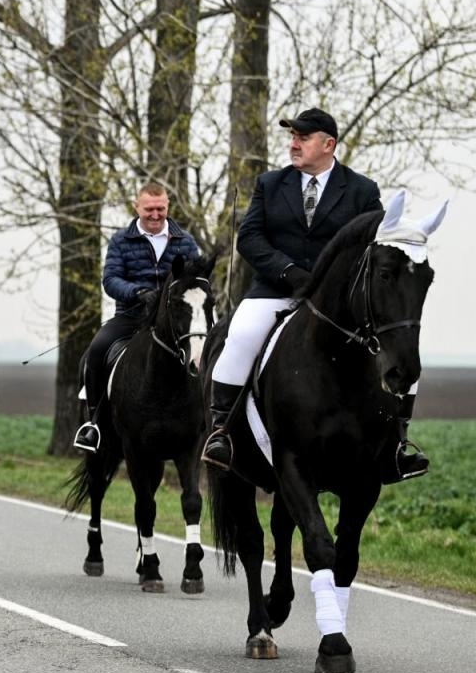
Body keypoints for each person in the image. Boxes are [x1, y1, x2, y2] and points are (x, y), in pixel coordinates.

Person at [201, 107, 428, 483]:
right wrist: (289, 272)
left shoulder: (361, 191)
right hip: (275, 291)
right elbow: (250, 238)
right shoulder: (270, 185)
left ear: (328, 144)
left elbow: (377, 244)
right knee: (239, 336)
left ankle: (397, 444)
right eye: (292, 137)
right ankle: (221, 431)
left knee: (402, 348)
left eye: (302, 138)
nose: (294, 144)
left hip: (337, 304)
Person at [72, 181, 202, 452]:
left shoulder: (186, 241)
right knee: (95, 351)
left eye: (160, 209)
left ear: (168, 206)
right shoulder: (121, 239)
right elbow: (110, 280)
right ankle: (93, 424)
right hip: (131, 317)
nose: (155, 215)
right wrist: (138, 292)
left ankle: (209, 421)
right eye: (149, 209)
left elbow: (196, 279)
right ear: (137, 207)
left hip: (173, 322)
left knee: (203, 351)